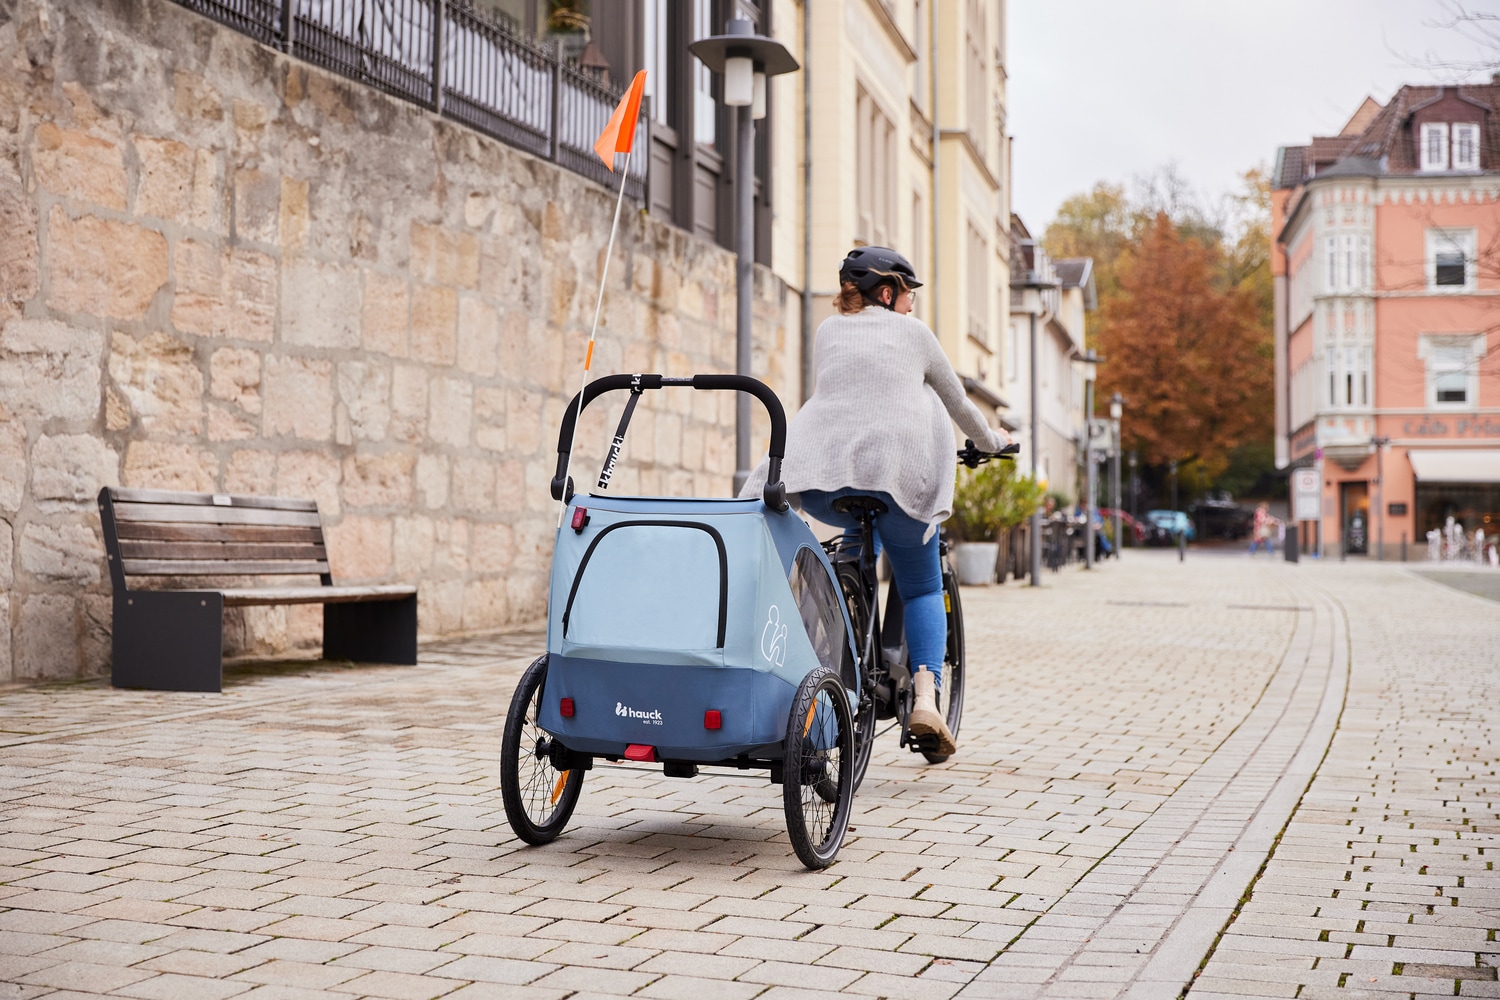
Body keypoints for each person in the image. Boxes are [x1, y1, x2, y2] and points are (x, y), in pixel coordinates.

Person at [740, 246, 1010, 756]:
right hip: (900, 481)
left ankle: (829, 652)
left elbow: (850, 397)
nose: (911, 306)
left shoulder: (826, 331)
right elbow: (960, 407)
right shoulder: (915, 335)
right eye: (908, 295)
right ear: (887, 293)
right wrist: (991, 440)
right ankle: (926, 695)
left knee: (849, 540)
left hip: (823, 478)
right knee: (922, 584)